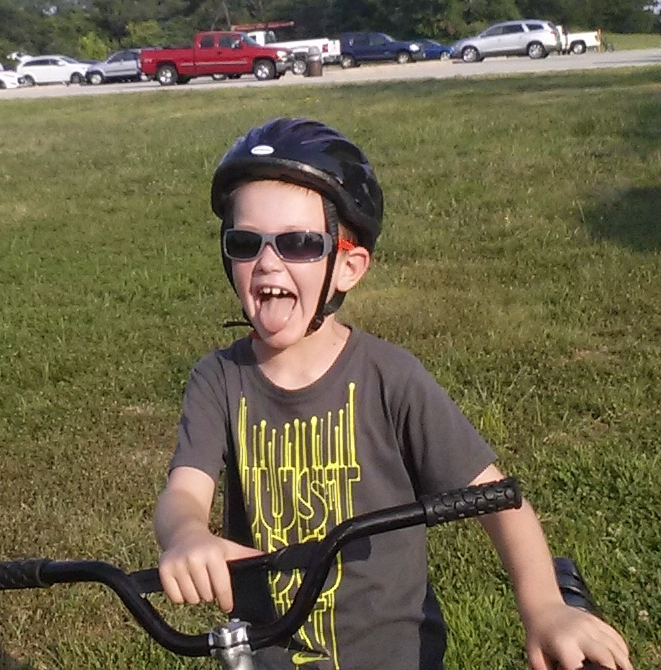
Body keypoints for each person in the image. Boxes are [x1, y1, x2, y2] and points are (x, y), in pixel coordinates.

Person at [153, 118, 631, 670]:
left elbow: (499, 499)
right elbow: (183, 493)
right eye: (245, 243)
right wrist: (187, 533)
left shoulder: (389, 378)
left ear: (348, 267)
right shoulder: (218, 380)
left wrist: (545, 607)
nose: (267, 262)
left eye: (299, 244)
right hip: (268, 657)